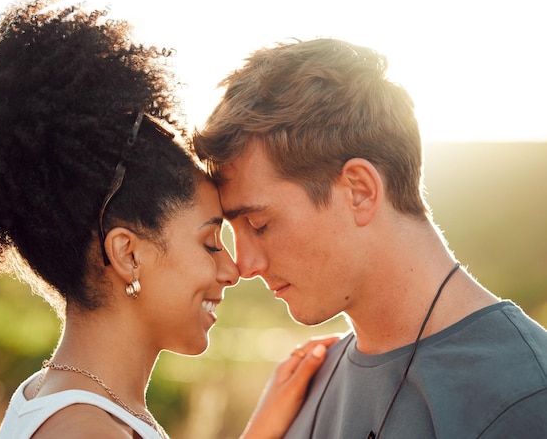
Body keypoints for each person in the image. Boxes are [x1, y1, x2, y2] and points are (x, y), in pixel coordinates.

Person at [0, 0, 337, 439]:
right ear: (127, 253)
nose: (232, 268)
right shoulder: (86, 431)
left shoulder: (66, 402)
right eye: (209, 242)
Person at [192, 37, 547, 438]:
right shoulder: (302, 388)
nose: (244, 265)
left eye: (259, 225)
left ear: (359, 191)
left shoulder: (524, 398)